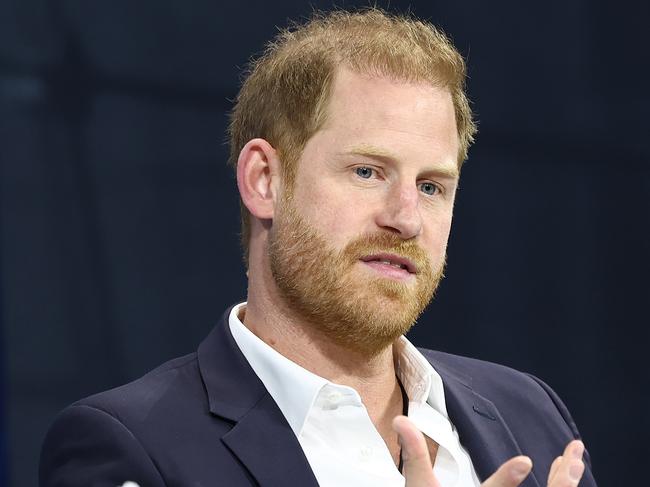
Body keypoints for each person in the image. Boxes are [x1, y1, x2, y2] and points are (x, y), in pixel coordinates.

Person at [40, 8, 597, 487]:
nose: (405, 218)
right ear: (264, 180)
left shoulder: (531, 413)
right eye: (366, 171)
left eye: (431, 186)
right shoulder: (132, 446)